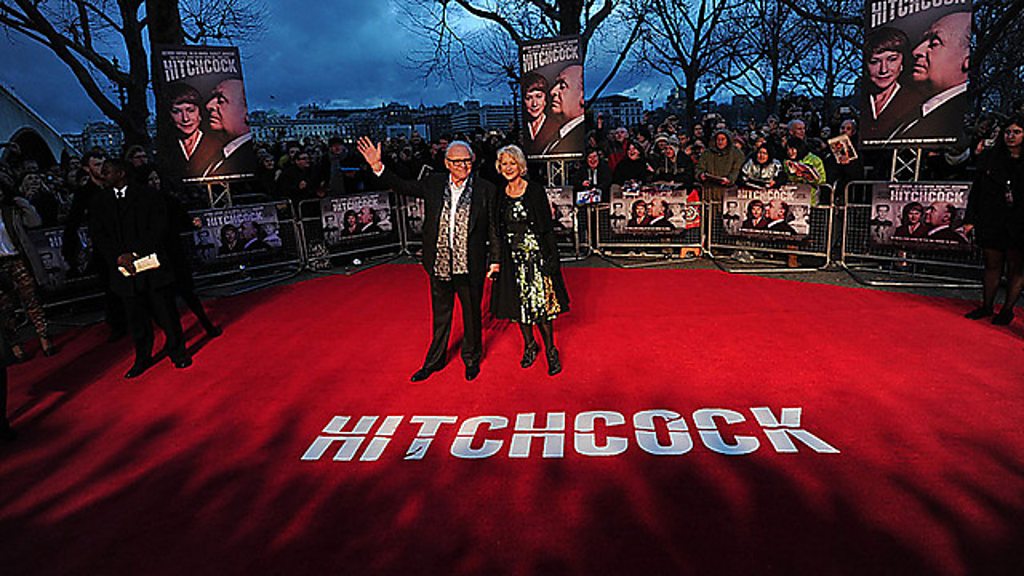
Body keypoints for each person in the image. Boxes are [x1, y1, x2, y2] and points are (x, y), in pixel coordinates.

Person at [356, 136, 499, 382]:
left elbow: (494, 228)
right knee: (441, 316)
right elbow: (402, 186)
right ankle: (434, 361)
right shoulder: (434, 183)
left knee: (472, 315)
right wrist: (378, 167)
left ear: (473, 161)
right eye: (457, 161)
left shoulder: (486, 189)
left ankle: (471, 358)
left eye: (466, 161)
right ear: (447, 163)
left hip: (470, 262)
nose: (463, 166)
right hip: (439, 262)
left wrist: (495, 259)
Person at [88, 159, 191, 378]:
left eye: (107, 171)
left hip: (152, 266)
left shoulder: (148, 195)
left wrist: (134, 253)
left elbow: (158, 228)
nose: (103, 175)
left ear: (121, 173)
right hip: (124, 272)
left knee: (166, 313)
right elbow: (98, 234)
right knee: (136, 318)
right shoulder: (99, 202)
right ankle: (142, 357)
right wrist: (118, 257)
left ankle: (178, 352)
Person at [489, 145, 569, 375]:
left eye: (512, 163)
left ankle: (551, 350)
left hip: (536, 258)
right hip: (511, 259)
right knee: (519, 306)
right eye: (504, 164)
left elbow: (546, 228)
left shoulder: (534, 190)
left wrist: (552, 258)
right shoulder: (499, 193)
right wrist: (495, 260)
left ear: (521, 165)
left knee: (541, 306)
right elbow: (496, 229)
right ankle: (530, 345)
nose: (508, 168)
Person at [963, 117, 1024, 325]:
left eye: (1017, 132)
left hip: (1019, 221)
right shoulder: (990, 158)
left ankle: (1007, 310)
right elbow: (976, 191)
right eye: (1008, 132)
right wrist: (970, 219)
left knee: (1016, 267)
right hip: (992, 218)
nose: (1011, 136)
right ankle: (986, 306)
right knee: (992, 264)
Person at [147, 168, 221, 338]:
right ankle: (175, 336)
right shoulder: (140, 205)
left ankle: (206, 325)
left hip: (174, 254)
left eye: (156, 178)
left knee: (188, 294)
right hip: (155, 257)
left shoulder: (169, 200)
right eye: (151, 180)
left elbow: (183, 221)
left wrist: (193, 224)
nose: (155, 183)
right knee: (164, 301)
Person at [0, 173, 56, 360]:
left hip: (16, 259)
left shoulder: (10, 211)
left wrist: (20, 201)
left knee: (31, 299)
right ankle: (15, 345)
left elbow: (34, 221)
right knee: (5, 307)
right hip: (0, 266)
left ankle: (44, 337)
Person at [892, 12, 971, 143]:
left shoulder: (958, 119)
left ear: (967, 59)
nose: (916, 51)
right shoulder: (912, 112)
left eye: (934, 43)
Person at [862, 28, 916, 142]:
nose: (884, 70)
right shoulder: (859, 102)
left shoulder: (915, 102)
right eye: (874, 62)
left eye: (892, 59)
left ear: (902, 62)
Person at [163, 83, 220, 181]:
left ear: (200, 112)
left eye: (191, 110)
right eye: (176, 112)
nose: (185, 118)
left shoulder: (217, 145)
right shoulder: (166, 148)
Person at [203, 79, 258, 179]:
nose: (209, 105)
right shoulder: (220, 154)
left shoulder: (249, 158)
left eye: (221, 101)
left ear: (248, 112)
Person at [543, 64, 586, 156]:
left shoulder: (580, 138)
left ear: (582, 96)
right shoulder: (559, 134)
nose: (552, 91)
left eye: (562, 86)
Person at [697, 130, 744, 203]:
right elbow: (699, 167)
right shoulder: (707, 153)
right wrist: (700, 175)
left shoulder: (736, 153)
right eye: (718, 139)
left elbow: (736, 170)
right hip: (709, 190)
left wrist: (730, 179)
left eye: (723, 139)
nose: (720, 142)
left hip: (728, 191)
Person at [521, 72, 558, 156]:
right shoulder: (521, 129)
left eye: (539, 96)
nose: (534, 104)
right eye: (528, 98)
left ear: (546, 99)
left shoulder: (555, 127)